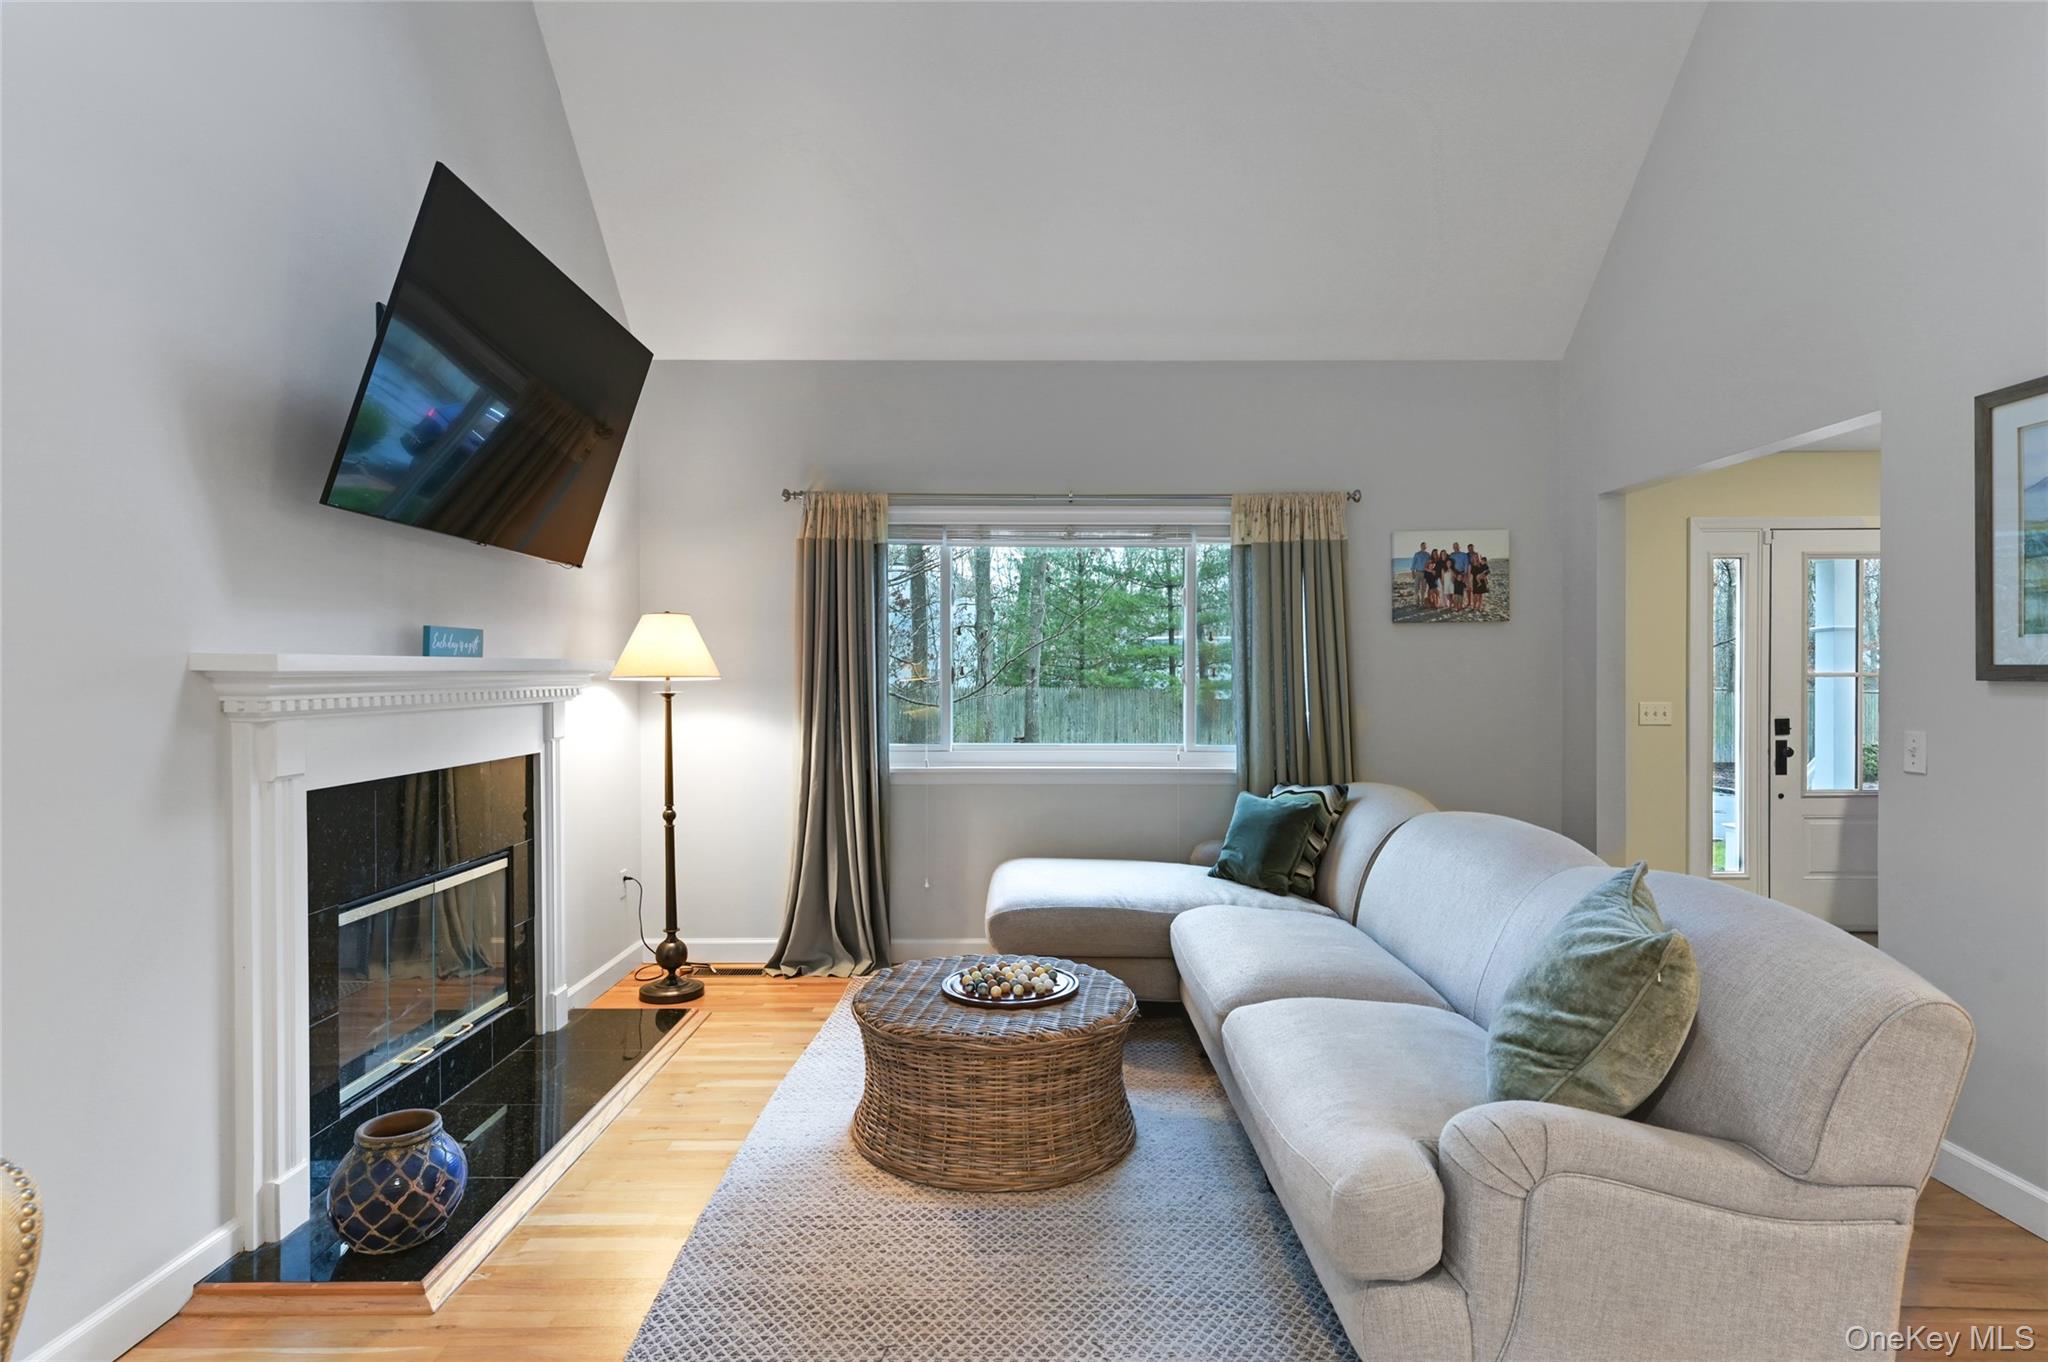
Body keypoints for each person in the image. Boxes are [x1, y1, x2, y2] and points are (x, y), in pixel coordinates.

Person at [1451, 542, 1471, 610]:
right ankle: (1456, 604)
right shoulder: (1452, 556)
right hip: (1455, 574)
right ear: (1453, 548)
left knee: (1465, 588)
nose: (1456, 548)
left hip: (1463, 573)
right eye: (1454, 547)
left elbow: (1466, 564)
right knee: (1456, 589)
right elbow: (1451, 565)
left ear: (1459, 547)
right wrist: (1453, 574)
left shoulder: (1464, 555)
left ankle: (1468, 602)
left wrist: (1465, 574)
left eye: (1457, 546)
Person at [1410, 542, 1429, 609]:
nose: (1423, 547)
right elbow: (1413, 563)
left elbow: (1430, 564)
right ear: (1420, 546)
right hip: (1417, 573)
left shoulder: (1428, 555)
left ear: (1426, 547)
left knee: (1423, 589)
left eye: (1424, 546)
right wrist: (1412, 572)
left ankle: (1422, 603)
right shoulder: (1417, 554)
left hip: (1425, 573)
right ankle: (1417, 602)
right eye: (1422, 546)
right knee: (1416, 588)